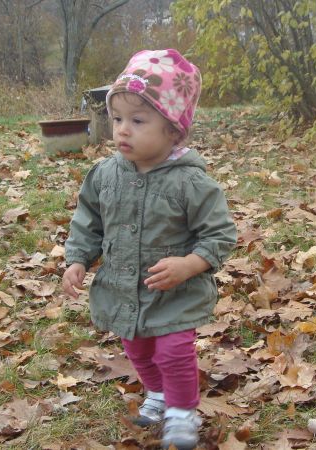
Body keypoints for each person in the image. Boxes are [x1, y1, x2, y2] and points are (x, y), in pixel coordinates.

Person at [61, 49, 237, 450]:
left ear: (173, 131)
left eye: (138, 121)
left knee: (173, 350)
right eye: (117, 119)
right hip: (125, 287)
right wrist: (78, 259)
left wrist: (191, 264)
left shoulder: (190, 182)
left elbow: (220, 233)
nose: (123, 130)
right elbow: (89, 220)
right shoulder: (105, 175)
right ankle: (157, 392)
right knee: (137, 348)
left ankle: (182, 412)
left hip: (175, 292)